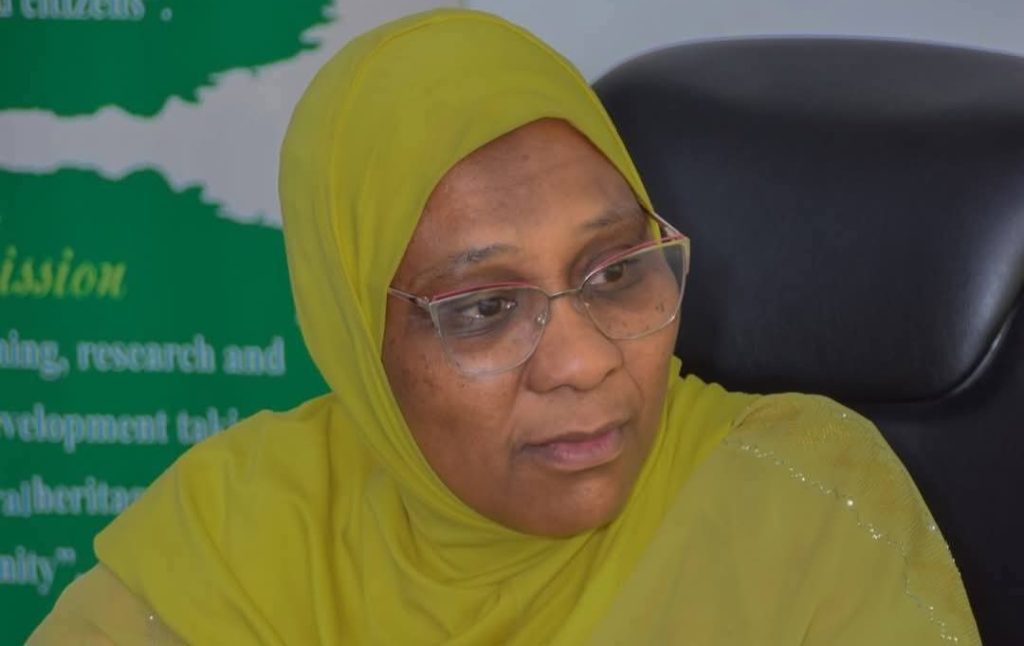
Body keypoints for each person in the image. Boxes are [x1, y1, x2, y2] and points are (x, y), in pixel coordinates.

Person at [30, 8, 980, 645]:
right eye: (485, 309)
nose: (583, 362)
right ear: (359, 341)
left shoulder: (800, 506)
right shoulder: (238, 539)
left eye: (615, 272)